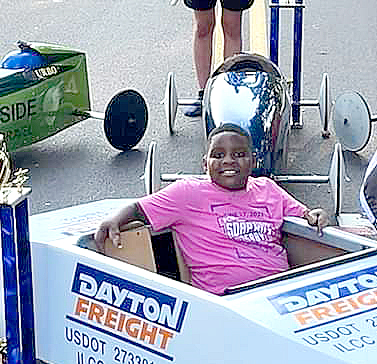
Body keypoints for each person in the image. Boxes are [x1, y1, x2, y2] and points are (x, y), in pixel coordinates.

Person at [94, 124, 328, 294]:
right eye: (218, 155)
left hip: (282, 291)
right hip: (225, 300)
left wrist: (316, 215)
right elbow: (138, 209)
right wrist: (114, 219)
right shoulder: (187, 193)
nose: (228, 161)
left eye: (239, 154)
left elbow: (305, 216)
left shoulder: (268, 189)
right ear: (205, 163)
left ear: (253, 161)